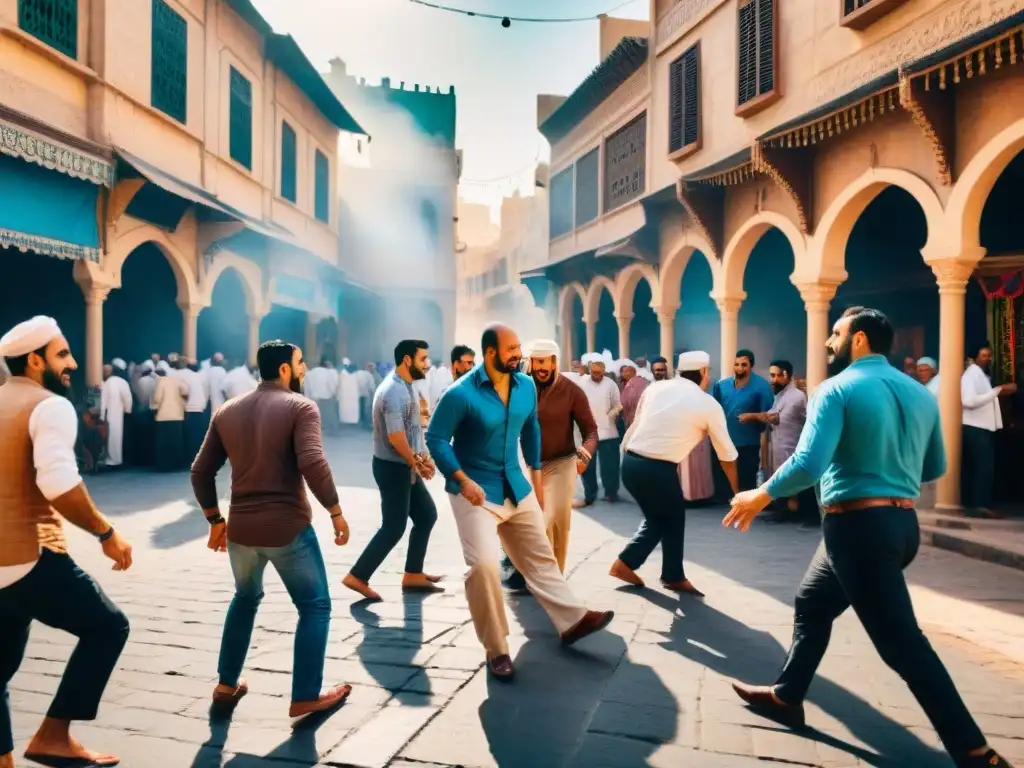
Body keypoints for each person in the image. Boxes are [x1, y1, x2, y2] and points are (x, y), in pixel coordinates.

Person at [723, 307, 1012, 768]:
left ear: (858, 339)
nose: (826, 343)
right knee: (812, 602)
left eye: (835, 334)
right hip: (901, 526)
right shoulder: (920, 393)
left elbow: (809, 464)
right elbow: (935, 467)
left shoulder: (835, 389)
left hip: (857, 529)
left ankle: (976, 752)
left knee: (903, 645)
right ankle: (787, 695)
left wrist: (760, 493)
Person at [425, 324, 614, 680]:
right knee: (483, 567)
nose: (519, 354)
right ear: (491, 353)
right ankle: (496, 648)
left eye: (519, 348)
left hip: (516, 483)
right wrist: (462, 480)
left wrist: (536, 481)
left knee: (540, 557)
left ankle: (573, 621)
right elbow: (436, 439)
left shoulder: (524, 386)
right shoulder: (460, 393)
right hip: (474, 491)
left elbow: (531, 430)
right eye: (511, 349)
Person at [190, 340, 352, 719]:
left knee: (244, 599)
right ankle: (306, 694)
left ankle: (226, 683)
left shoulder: (227, 410)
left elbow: (200, 471)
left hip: (241, 531)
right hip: (288, 528)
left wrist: (215, 519)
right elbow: (312, 461)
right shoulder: (300, 406)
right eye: (300, 363)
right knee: (315, 606)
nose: (305, 369)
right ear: (284, 369)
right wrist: (335, 510)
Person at [0, 316, 133, 768]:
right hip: (32, 557)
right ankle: (53, 736)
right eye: (62, 355)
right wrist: (106, 532)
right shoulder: (50, 405)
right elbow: (59, 483)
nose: (73, 362)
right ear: (34, 361)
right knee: (107, 626)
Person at [610, 351, 738, 596]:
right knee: (667, 518)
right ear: (703, 372)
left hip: (630, 463)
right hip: (657, 468)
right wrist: (737, 493)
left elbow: (637, 424)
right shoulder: (707, 403)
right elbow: (727, 457)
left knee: (665, 518)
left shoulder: (655, 389)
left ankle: (667, 573)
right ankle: (636, 566)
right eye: (708, 372)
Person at [343, 340, 442, 602]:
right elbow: (397, 436)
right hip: (394, 467)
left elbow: (412, 429)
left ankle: (413, 573)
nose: (427, 364)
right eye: (423, 359)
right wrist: (416, 463)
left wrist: (422, 458)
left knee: (426, 515)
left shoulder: (405, 386)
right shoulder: (393, 390)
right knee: (393, 527)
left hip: (403, 465)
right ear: (407, 360)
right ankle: (358, 575)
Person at [502, 339, 599, 592]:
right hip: (525, 464)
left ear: (555, 362)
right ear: (530, 363)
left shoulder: (571, 390)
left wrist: (585, 454)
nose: (541, 367)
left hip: (562, 463)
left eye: (545, 361)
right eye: (536, 361)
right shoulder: (518, 388)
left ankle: (550, 577)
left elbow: (591, 431)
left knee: (552, 518)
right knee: (520, 520)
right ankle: (521, 568)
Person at [739, 360, 814, 525]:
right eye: (771, 375)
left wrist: (751, 416)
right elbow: (772, 414)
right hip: (779, 445)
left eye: (775, 376)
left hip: (790, 446)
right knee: (779, 477)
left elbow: (776, 418)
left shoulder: (796, 395)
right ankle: (781, 510)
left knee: (790, 480)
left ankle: (795, 512)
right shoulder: (781, 395)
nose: (772, 380)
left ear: (786, 375)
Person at [961, 342, 1016, 518]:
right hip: (975, 426)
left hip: (981, 426)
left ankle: (978, 504)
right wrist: (997, 391)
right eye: (984, 355)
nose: (988, 359)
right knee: (984, 467)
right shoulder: (971, 375)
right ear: (974, 357)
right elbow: (968, 401)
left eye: (989, 355)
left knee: (981, 466)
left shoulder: (981, 375)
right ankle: (981, 505)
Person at [712, 349, 774, 492]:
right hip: (726, 440)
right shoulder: (722, 385)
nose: (740, 368)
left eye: (744, 365)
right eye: (737, 364)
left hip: (749, 443)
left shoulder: (762, 386)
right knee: (726, 483)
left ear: (751, 366)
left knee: (747, 481)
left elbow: (769, 415)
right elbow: (715, 410)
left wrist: (752, 416)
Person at [575, 354, 622, 506]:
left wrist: (612, 414)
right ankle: (590, 494)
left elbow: (618, 404)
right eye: (594, 372)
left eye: (600, 373)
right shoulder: (582, 383)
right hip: (588, 431)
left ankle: (611, 493)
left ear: (604, 371)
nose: (597, 375)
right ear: (589, 370)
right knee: (587, 466)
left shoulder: (610, 384)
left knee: (610, 465)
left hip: (608, 431)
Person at [151, 364, 188, 471]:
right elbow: (185, 391)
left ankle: (164, 465)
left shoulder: (161, 381)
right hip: (178, 415)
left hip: (164, 416)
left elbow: (157, 398)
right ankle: (177, 464)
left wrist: (154, 406)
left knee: (164, 442)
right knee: (176, 441)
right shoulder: (177, 380)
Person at [100, 360, 133, 469]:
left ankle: (110, 460)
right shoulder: (122, 382)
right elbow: (127, 398)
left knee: (111, 437)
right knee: (116, 437)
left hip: (108, 414)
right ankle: (116, 460)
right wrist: (128, 410)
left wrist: (102, 415)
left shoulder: (109, 381)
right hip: (118, 414)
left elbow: (103, 401)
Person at [178, 359, 210, 466]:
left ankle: (190, 459)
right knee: (198, 435)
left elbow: (183, 391)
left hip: (190, 408)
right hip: (200, 407)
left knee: (190, 435)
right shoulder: (199, 376)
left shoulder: (184, 374)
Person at [304, 359, 339, 436]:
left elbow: (306, 386)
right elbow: (331, 385)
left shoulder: (309, 373)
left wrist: (307, 397)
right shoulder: (328, 373)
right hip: (325, 396)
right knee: (326, 414)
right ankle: (327, 431)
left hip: (314, 397)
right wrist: (333, 393)